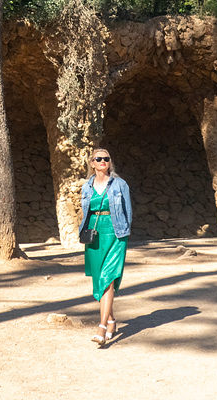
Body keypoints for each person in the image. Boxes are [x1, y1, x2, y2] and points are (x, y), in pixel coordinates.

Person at [80, 148, 132, 345]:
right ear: (92, 163)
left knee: (108, 278)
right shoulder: (86, 187)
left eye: (106, 159)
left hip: (116, 232)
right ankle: (111, 321)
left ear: (110, 162)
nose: (102, 161)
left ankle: (101, 327)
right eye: (98, 159)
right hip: (94, 235)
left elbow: (128, 212)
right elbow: (86, 213)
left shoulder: (120, 185)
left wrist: (125, 234)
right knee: (98, 280)